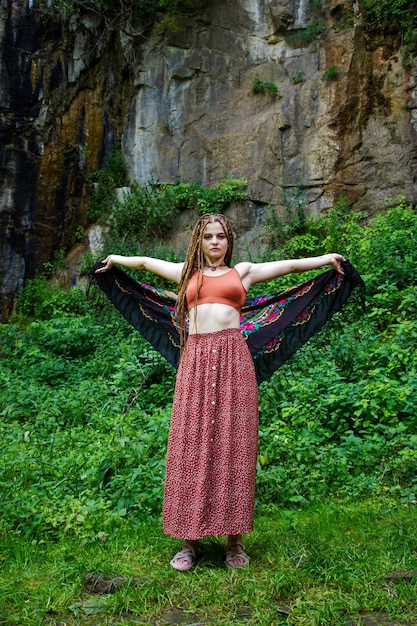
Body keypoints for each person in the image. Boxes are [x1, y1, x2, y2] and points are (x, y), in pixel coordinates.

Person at [95, 213, 346, 571]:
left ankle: (234, 543)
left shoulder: (241, 272)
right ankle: (189, 542)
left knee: (234, 444)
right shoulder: (187, 273)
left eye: (221, 237)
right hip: (195, 359)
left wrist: (326, 259)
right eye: (209, 236)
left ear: (229, 241)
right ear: (198, 240)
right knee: (191, 444)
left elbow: (289, 266)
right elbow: (147, 263)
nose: (215, 242)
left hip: (233, 358)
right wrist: (115, 260)